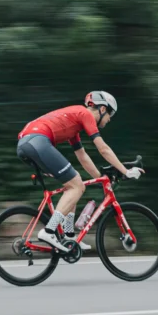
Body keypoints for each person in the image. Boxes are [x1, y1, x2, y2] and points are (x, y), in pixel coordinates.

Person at [15, 91, 143, 252]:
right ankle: (49, 231)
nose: (109, 119)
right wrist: (125, 171)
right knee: (77, 186)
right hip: (37, 141)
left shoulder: (75, 123)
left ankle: (69, 237)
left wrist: (101, 178)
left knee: (74, 183)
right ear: (102, 109)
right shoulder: (85, 114)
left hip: (27, 144)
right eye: (110, 114)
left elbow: (83, 156)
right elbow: (103, 149)